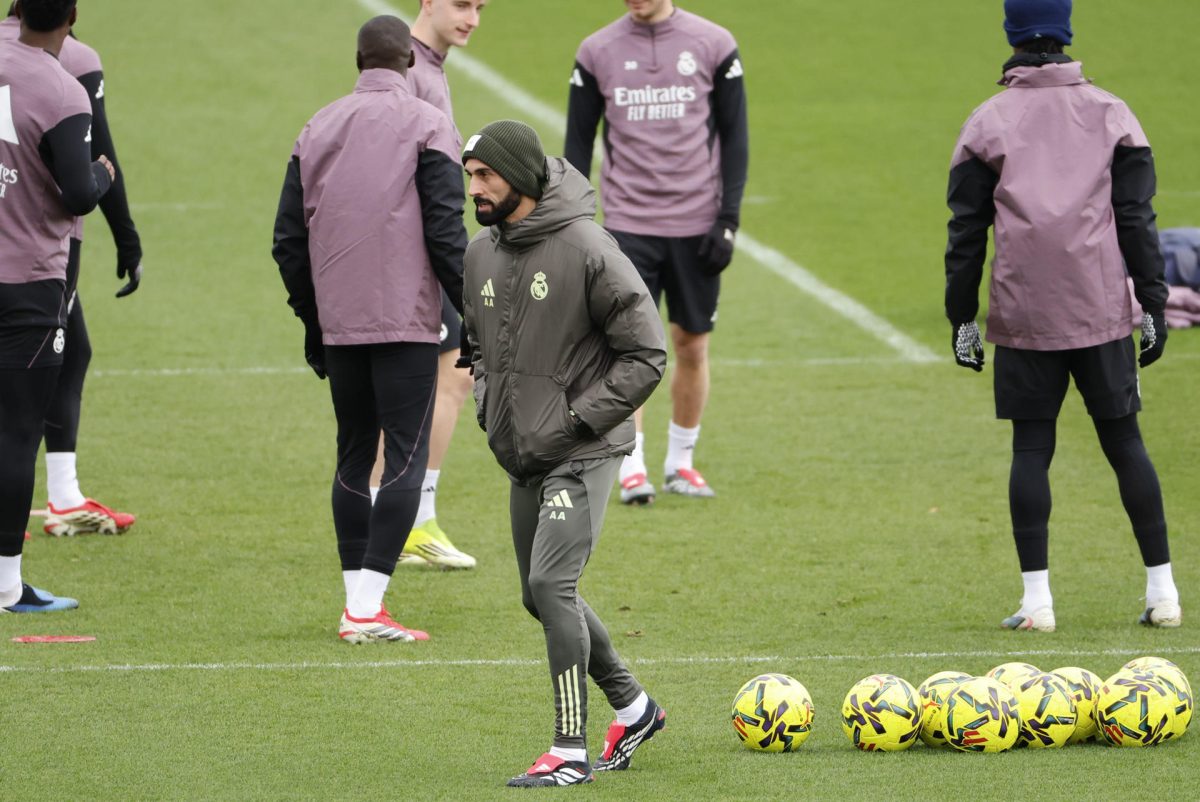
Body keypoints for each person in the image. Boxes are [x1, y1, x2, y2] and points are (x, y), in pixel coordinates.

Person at [944, 0, 1180, 631]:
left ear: (1011, 35)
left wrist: (961, 316)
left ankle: (1038, 604)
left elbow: (966, 230)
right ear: (1067, 32)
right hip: (1101, 308)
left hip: (1024, 312)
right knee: (1125, 442)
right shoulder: (1113, 113)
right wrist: (1152, 302)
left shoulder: (987, 120)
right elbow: (1136, 218)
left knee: (1031, 447)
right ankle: (1164, 594)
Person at [461, 120, 668, 787]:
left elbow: (647, 352)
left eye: (486, 175)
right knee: (536, 595)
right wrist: (490, 411)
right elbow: (476, 346)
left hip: (584, 448)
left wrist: (578, 417)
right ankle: (635, 706)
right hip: (524, 450)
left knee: (553, 584)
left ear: (518, 176)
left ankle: (569, 750)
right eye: (469, 175)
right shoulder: (479, 255)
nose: (475, 188)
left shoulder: (586, 246)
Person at [272, 15, 467, 643]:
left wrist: (313, 319)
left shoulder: (316, 127)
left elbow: (287, 242)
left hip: (341, 324)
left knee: (355, 452)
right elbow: (445, 233)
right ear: (408, 63)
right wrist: (475, 315)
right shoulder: (429, 124)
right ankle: (366, 610)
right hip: (408, 323)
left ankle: (356, 606)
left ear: (359, 61)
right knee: (405, 455)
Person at [565, 0, 748, 504]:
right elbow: (577, 144)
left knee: (692, 345)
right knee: (628, 350)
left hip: (697, 226)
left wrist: (728, 219)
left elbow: (736, 137)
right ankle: (632, 463)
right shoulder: (596, 50)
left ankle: (681, 464)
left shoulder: (714, 43)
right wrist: (577, 225)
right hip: (627, 226)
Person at [2, 2, 141, 537]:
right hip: (35, 254)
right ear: (72, 11)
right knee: (28, 399)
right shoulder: (73, 61)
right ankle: (57, 503)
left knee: (74, 350)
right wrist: (127, 236)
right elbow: (92, 166)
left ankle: (64, 495)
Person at [373, 0, 487, 570]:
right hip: (418, 251)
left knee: (444, 377)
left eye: (480, 7)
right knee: (432, 381)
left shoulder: (427, 64)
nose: (471, 16)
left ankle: (401, 517)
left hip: (420, 247)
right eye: (462, 3)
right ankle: (407, 521)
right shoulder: (410, 70)